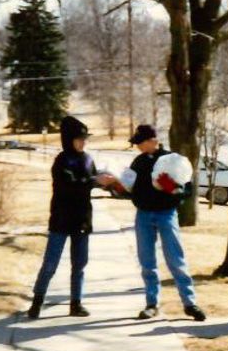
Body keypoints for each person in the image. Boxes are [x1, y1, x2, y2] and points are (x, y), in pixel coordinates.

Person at [26, 115, 113, 319]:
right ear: (68, 139)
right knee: (50, 264)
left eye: (85, 139)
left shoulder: (88, 159)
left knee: (80, 264)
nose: (84, 142)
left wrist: (108, 182)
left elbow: (90, 182)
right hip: (61, 219)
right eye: (79, 138)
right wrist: (94, 180)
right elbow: (69, 185)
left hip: (82, 218)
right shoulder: (61, 161)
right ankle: (37, 301)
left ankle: (76, 303)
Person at [126, 124, 206, 321]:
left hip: (166, 214)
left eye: (140, 143)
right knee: (147, 262)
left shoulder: (172, 160)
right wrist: (118, 185)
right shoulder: (138, 162)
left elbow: (187, 190)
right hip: (143, 215)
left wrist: (172, 189)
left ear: (153, 141)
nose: (137, 147)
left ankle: (190, 303)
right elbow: (130, 188)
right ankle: (152, 304)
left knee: (175, 259)